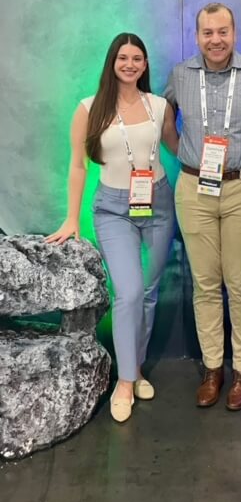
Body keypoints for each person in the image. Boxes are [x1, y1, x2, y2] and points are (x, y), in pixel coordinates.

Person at [46, 33, 178, 423]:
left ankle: (135, 369)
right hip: (113, 210)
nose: (131, 64)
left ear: (145, 64)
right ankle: (124, 381)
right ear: (112, 61)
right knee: (130, 292)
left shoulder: (158, 106)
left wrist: (219, 167)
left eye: (138, 58)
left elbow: (178, 148)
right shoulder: (89, 108)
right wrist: (72, 218)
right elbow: (77, 166)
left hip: (158, 203)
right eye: (124, 57)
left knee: (150, 292)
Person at [164, 2, 241, 410]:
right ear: (197, 37)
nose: (216, 40)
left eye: (223, 31)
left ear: (234, 32)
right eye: (208, 33)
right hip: (194, 188)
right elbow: (164, 118)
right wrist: (185, 157)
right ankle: (213, 368)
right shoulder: (181, 75)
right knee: (205, 283)